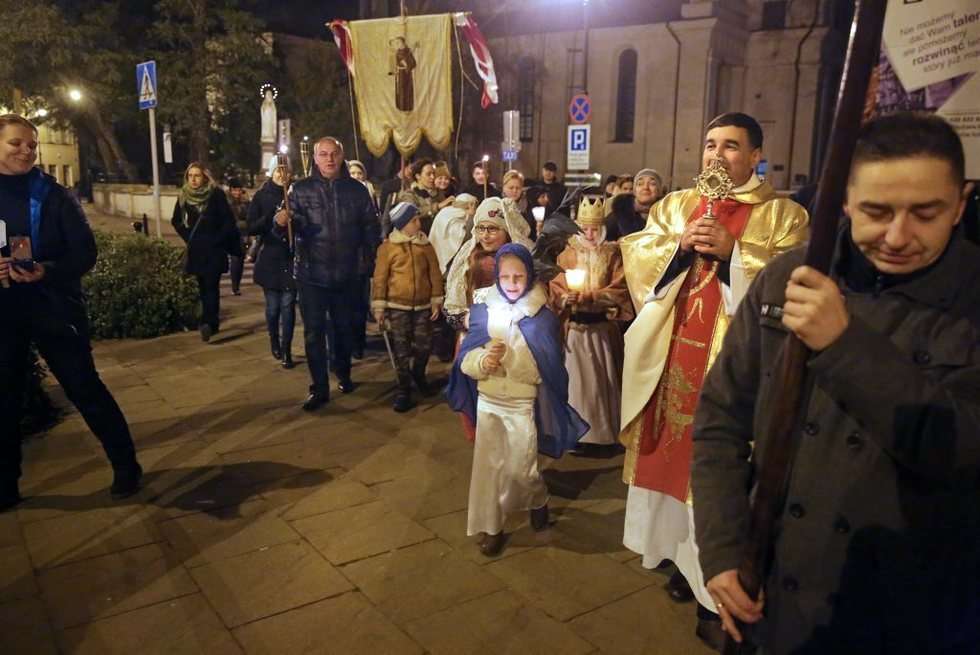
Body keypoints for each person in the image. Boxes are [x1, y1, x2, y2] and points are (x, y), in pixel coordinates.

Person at [692, 113, 980, 654]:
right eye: (876, 210)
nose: (898, 236)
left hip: (908, 609)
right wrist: (723, 547)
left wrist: (845, 347)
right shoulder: (787, 277)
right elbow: (720, 418)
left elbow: (963, 447)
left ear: (960, 204)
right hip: (777, 590)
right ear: (845, 200)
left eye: (926, 213)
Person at [618, 112, 809, 650]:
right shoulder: (676, 205)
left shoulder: (783, 215)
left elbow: (789, 283)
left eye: (730, 146)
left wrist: (734, 256)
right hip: (674, 358)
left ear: (754, 157)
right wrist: (679, 249)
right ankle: (680, 562)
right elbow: (641, 260)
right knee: (671, 469)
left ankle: (715, 587)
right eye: (709, 145)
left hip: (733, 373)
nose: (716, 155)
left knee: (717, 476)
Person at [0, 114, 142, 509]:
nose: (26, 150)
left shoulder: (53, 195)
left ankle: (126, 466)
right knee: (5, 399)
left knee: (85, 388)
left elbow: (84, 252)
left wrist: (47, 270)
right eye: (16, 143)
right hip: (4, 312)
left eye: (31, 144)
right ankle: (5, 485)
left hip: (52, 308)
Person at [448, 243, 588, 556]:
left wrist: (516, 362)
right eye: (506, 276)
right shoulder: (483, 311)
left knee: (521, 469)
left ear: (529, 276)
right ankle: (492, 525)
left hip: (522, 403)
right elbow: (465, 361)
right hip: (489, 402)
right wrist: (484, 360)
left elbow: (550, 365)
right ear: (497, 276)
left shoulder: (542, 316)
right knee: (490, 470)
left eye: (519, 276)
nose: (512, 283)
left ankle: (537, 497)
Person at [274, 137, 380, 411]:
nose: (329, 159)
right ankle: (319, 387)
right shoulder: (299, 189)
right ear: (316, 158)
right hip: (311, 273)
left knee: (343, 329)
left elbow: (371, 228)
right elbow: (286, 227)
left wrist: (369, 261)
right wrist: (282, 222)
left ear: (341, 156)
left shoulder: (357, 190)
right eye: (323, 154)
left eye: (334, 154)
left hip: (347, 273)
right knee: (313, 332)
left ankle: (343, 371)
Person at [549, 197, 633, 454]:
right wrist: (565, 298)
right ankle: (576, 434)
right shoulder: (567, 253)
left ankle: (601, 434)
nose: (590, 233)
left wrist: (594, 297)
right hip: (575, 330)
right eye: (585, 228)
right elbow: (555, 284)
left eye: (595, 228)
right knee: (577, 384)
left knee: (601, 383)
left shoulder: (612, 253)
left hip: (600, 331)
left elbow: (620, 287)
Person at [372, 202, 444, 412]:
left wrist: (435, 299)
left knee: (424, 345)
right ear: (403, 224)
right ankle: (403, 388)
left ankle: (419, 375)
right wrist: (379, 306)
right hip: (397, 305)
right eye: (413, 221)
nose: (418, 223)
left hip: (422, 305)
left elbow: (434, 274)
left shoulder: (425, 246)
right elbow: (380, 278)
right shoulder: (388, 248)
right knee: (401, 349)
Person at [172, 162, 242, 342]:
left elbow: (228, 221)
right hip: (197, 250)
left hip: (214, 250)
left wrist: (216, 239)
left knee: (211, 286)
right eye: (190, 176)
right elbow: (176, 221)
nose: (193, 179)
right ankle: (211, 322)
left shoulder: (215, 194)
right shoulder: (184, 196)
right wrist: (189, 237)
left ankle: (208, 323)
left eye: (197, 175)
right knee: (202, 287)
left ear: (204, 177)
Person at [247, 163, 296, 368]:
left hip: (290, 259)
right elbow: (251, 226)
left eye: (285, 171)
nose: (281, 175)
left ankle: (287, 349)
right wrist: (271, 218)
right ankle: (274, 338)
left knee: (288, 307)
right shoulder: (262, 196)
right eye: (278, 170)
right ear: (272, 172)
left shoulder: (295, 194)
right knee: (274, 307)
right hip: (271, 258)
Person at [605, 169, 664, 242]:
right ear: (635, 191)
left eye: (652, 184)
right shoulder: (619, 215)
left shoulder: (666, 217)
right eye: (640, 184)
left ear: (659, 191)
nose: (645, 187)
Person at [430, 193, 478, 276]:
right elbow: (464, 238)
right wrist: (471, 216)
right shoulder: (457, 214)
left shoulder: (445, 211)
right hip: (450, 261)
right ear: (470, 205)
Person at [397, 158, 441, 234]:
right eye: (428, 174)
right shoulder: (408, 194)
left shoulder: (438, 193)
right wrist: (436, 207)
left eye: (434, 174)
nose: (432, 177)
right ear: (418, 176)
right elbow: (413, 214)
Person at [226, 177, 249, 296]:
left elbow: (249, 218)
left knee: (239, 261)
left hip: (242, 235)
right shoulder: (226, 203)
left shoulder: (245, 203)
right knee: (234, 260)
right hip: (229, 234)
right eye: (234, 190)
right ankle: (234, 286)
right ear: (230, 190)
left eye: (239, 190)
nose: (237, 192)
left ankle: (236, 286)